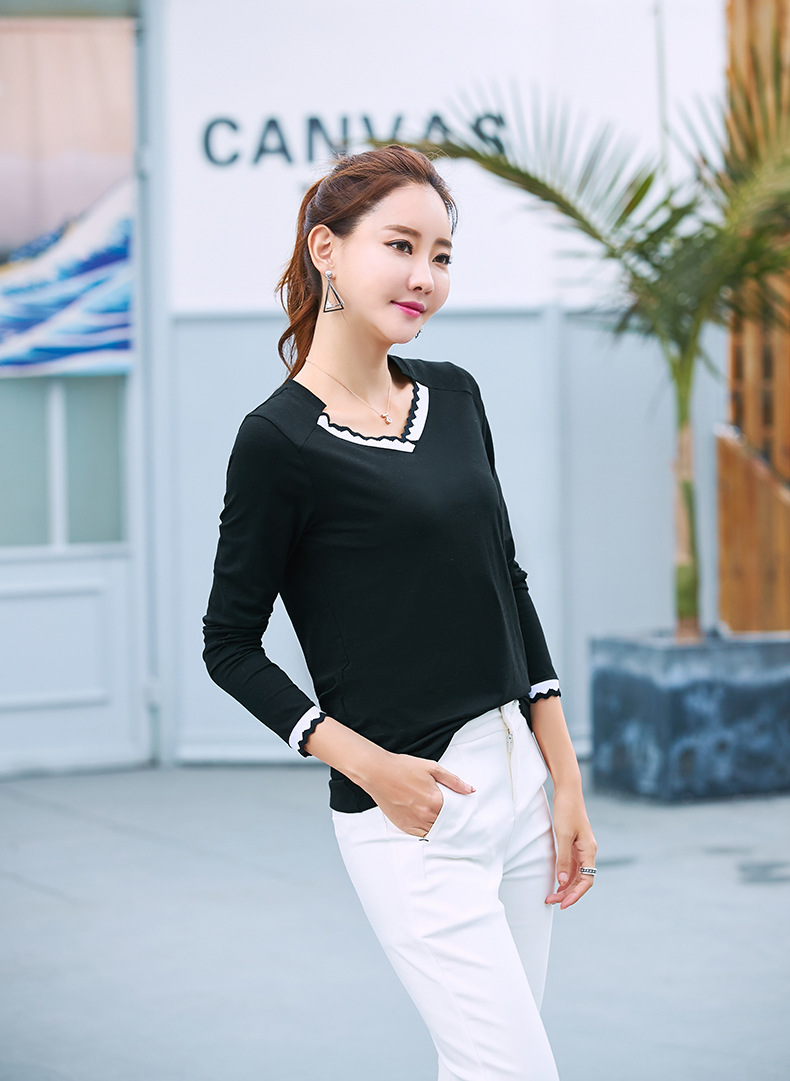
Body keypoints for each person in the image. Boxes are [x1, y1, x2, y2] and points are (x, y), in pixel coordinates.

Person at [202, 143, 597, 1081]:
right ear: (326, 250)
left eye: (443, 255)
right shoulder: (276, 441)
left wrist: (565, 779)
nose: (426, 275)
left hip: (521, 788)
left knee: (479, 1068)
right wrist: (368, 764)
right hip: (412, 815)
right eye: (401, 245)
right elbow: (229, 644)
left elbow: (507, 582)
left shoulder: (455, 396)